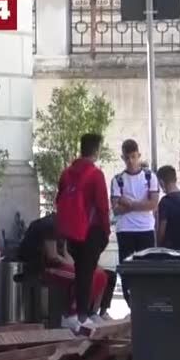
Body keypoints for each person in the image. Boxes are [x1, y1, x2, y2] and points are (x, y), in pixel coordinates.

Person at [56, 133, 112, 333]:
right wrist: (106, 231)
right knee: (87, 273)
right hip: (91, 230)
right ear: (96, 150)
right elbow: (103, 206)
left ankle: (72, 315)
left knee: (79, 271)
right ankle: (82, 316)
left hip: (72, 231)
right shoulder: (95, 174)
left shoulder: (66, 173)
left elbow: (59, 200)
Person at [15, 213, 116, 322]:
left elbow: (65, 253)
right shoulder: (50, 225)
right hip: (40, 268)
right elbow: (52, 256)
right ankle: (72, 315)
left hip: (55, 266)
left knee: (100, 275)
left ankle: (91, 313)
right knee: (83, 278)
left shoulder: (65, 227)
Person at [110, 139, 159, 306]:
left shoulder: (150, 177)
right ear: (122, 158)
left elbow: (153, 204)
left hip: (145, 229)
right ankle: (131, 303)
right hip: (125, 229)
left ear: (139, 155)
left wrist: (129, 203)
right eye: (127, 158)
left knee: (147, 268)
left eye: (133, 157)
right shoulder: (118, 180)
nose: (131, 161)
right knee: (127, 269)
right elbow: (116, 209)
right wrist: (140, 205)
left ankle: (146, 303)